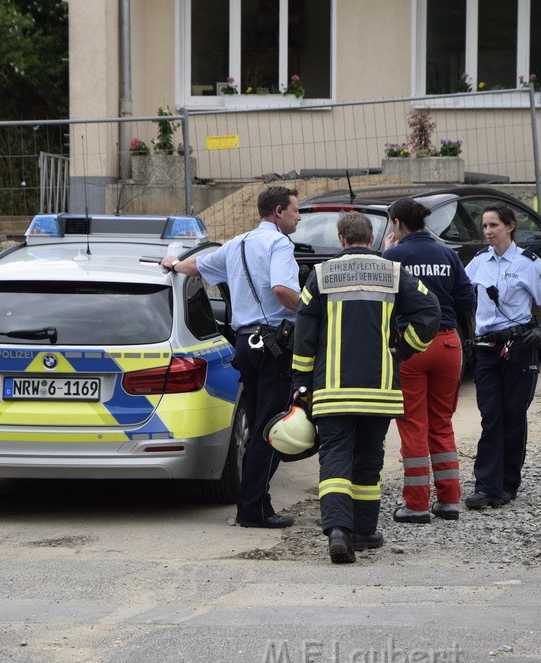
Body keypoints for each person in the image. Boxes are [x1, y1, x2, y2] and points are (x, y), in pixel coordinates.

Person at [292, 211, 440, 563]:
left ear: (341, 240)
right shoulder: (393, 273)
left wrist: (300, 383)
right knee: (369, 459)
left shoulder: (320, 275)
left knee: (336, 458)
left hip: (332, 391)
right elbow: (431, 310)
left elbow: (304, 335)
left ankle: (338, 531)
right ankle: (364, 531)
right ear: (370, 238)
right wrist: (403, 350)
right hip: (379, 390)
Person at [161, 185, 301, 529]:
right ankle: (252, 509)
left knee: (258, 426)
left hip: (244, 344)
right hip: (274, 346)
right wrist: (315, 312)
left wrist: (175, 263)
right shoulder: (279, 244)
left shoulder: (236, 243)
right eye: (296, 210)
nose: (299, 217)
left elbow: (197, 266)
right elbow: (283, 289)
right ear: (279, 212)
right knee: (273, 430)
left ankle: (257, 504)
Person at [382, 198, 476, 523]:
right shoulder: (447, 254)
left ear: (396, 224)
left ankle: (417, 504)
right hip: (449, 343)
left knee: (413, 425)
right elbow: (467, 298)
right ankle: (449, 501)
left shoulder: (394, 256)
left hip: (411, 345)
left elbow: (382, 303)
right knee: (441, 422)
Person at [463, 204, 541, 510]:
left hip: (519, 346)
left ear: (510, 226)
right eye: (485, 226)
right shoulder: (478, 263)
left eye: (494, 225)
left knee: (513, 415)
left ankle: (507, 483)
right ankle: (486, 485)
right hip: (487, 349)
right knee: (491, 416)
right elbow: (461, 294)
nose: (488, 231)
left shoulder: (529, 263)